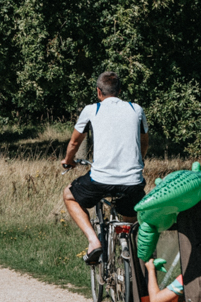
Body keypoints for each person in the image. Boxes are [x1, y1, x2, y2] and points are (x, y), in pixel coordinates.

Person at [60, 71, 149, 264]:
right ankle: (128, 250)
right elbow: (144, 142)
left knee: (69, 195)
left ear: (98, 91)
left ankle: (94, 242)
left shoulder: (92, 110)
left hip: (100, 180)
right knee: (130, 216)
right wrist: (138, 162)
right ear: (120, 91)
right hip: (133, 181)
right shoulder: (136, 109)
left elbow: (75, 143)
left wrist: (68, 160)